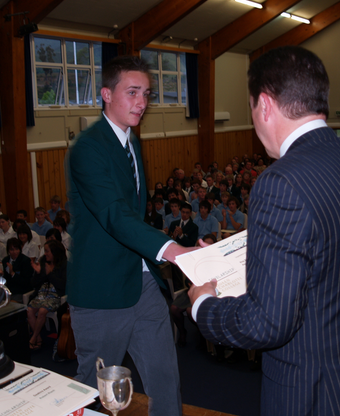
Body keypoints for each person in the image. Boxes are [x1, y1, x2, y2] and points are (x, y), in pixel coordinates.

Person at [188, 47, 340, 415]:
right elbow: (330, 264)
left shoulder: (281, 181)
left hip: (325, 395)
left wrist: (203, 305)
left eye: (251, 109)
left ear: (264, 105)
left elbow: (267, 324)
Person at [66, 55, 191, 414]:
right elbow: (113, 215)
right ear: (106, 94)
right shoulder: (88, 148)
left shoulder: (132, 141)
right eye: (132, 92)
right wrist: (171, 250)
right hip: (102, 289)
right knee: (94, 392)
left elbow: (135, 214)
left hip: (143, 282)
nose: (142, 102)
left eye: (146, 93)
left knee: (166, 378)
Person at [27, 240, 67, 350]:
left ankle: (33, 338)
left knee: (42, 311)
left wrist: (51, 274)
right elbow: (34, 284)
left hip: (56, 295)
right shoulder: (43, 261)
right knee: (29, 310)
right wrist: (39, 274)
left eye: (47, 251)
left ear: (55, 252)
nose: (45, 254)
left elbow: (63, 285)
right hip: (42, 293)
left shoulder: (64, 264)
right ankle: (38, 338)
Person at [0, 238, 34, 302]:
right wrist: (2, 273)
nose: (15, 252)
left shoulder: (25, 261)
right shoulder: (5, 260)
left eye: (17, 249)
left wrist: (12, 273)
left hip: (21, 291)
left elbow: (26, 282)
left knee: (10, 303)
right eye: (12, 249)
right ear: (8, 250)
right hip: (9, 289)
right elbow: (7, 280)